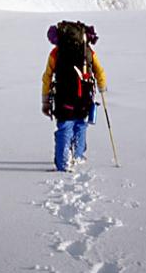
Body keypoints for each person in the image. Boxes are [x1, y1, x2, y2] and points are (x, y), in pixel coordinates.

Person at [41, 21, 107, 172]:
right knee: (80, 125)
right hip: (84, 98)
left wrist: (45, 101)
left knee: (65, 127)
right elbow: (100, 72)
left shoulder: (56, 52)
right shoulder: (87, 51)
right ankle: (77, 156)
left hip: (63, 98)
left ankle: (64, 162)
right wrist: (102, 88)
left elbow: (47, 77)